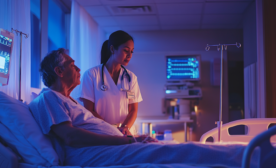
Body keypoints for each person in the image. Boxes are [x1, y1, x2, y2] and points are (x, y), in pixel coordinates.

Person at [29, 48, 250, 167]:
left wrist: (129, 134)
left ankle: (249, 156)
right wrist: (126, 140)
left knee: (175, 149)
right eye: (71, 64)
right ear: (59, 72)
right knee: (177, 150)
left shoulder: (70, 100)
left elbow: (132, 109)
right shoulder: (49, 98)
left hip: (117, 142)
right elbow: (71, 138)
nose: (77, 68)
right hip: (99, 153)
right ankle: (253, 157)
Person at [77, 30, 142, 136]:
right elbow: (89, 109)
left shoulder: (131, 77)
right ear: (112, 49)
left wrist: (124, 128)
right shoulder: (91, 75)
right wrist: (109, 129)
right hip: (100, 131)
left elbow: (133, 110)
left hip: (124, 132)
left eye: (132, 51)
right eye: (126, 50)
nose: (130, 55)